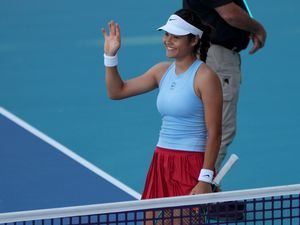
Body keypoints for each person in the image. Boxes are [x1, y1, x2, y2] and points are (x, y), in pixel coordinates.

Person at [102, 7, 222, 211]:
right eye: (166, 34)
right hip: (161, 161)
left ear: (193, 40)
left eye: (175, 36)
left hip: (190, 164)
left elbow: (215, 133)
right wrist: (110, 57)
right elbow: (117, 91)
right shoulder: (161, 71)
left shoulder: (205, 77)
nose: (167, 40)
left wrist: (205, 178)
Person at [183, 0, 267, 172]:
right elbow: (229, 13)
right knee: (219, 130)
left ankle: (192, 186)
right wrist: (257, 28)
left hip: (202, 54)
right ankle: (199, 190)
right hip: (217, 59)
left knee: (200, 128)